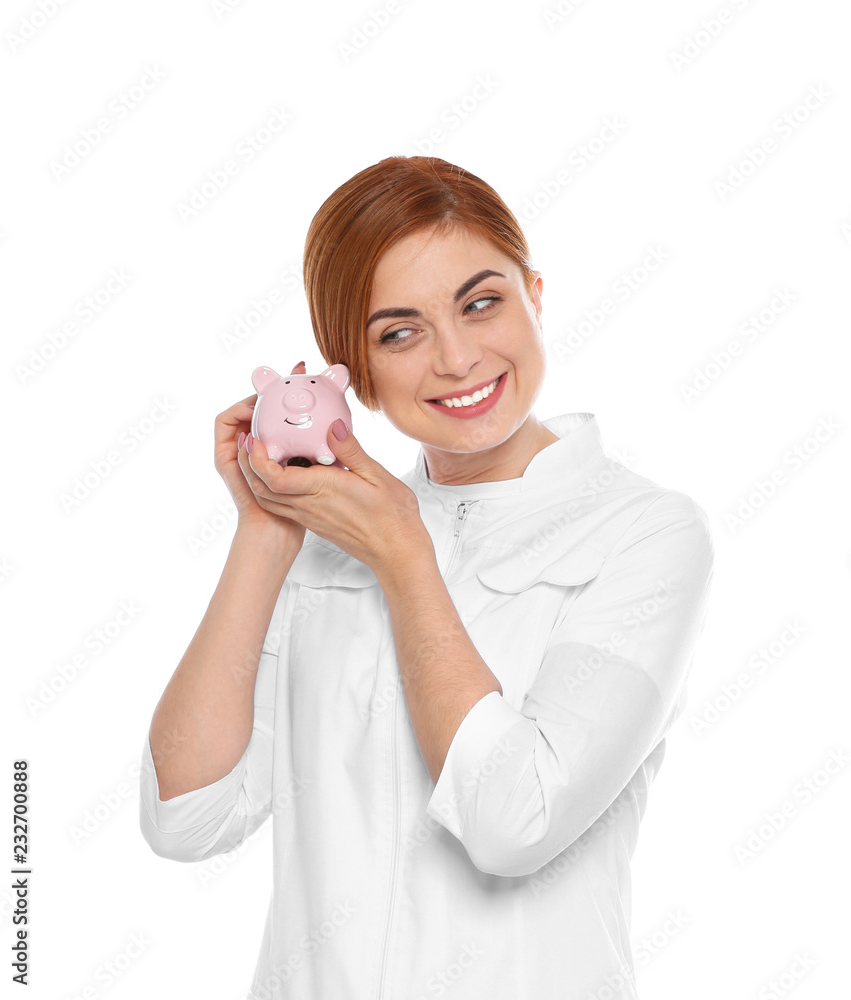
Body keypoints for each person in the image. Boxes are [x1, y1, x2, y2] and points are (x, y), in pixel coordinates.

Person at [138, 155, 714, 999]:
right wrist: (267, 531)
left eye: (481, 302)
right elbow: (186, 817)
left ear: (536, 296)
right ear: (351, 373)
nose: (454, 358)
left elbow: (512, 821)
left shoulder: (645, 534)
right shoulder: (327, 545)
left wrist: (404, 557)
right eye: (398, 331)